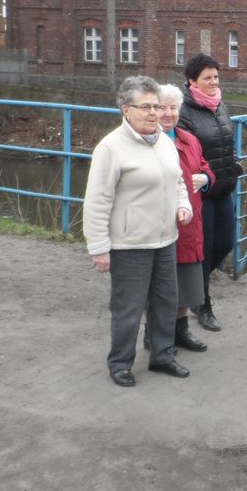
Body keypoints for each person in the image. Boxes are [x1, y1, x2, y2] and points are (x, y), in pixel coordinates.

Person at [84, 76, 193, 388]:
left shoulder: (164, 141)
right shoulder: (111, 148)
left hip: (165, 238)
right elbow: (97, 200)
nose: (153, 113)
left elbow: (177, 182)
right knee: (128, 307)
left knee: (165, 302)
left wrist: (182, 205)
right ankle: (120, 363)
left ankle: (162, 355)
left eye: (156, 106)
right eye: (145, 107)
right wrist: (99, 247)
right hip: (129, 243)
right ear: (125, 110)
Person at [179, 54, 241, 333]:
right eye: (207, 78)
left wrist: (234, 162)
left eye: (216, 77)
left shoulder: (220, 105)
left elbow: (226, 141)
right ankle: (202, 305)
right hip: (201, 192)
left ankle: (193, 288)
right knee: (202, 251)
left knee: (224, 244)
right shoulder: (184, 111)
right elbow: (188, 153)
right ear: (193, 81)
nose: (214, 82)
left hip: (224, 187)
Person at [156, 83, 214, 352]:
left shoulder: (189, 139)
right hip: (159, 223)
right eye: (162, 107)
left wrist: (206, 178)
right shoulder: (148, 141)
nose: (168, 113)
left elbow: (205, 167)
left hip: (189, 223)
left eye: (173, 107)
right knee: (160, 286)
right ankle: (157, 336)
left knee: (185, 283)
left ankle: (181, 331)